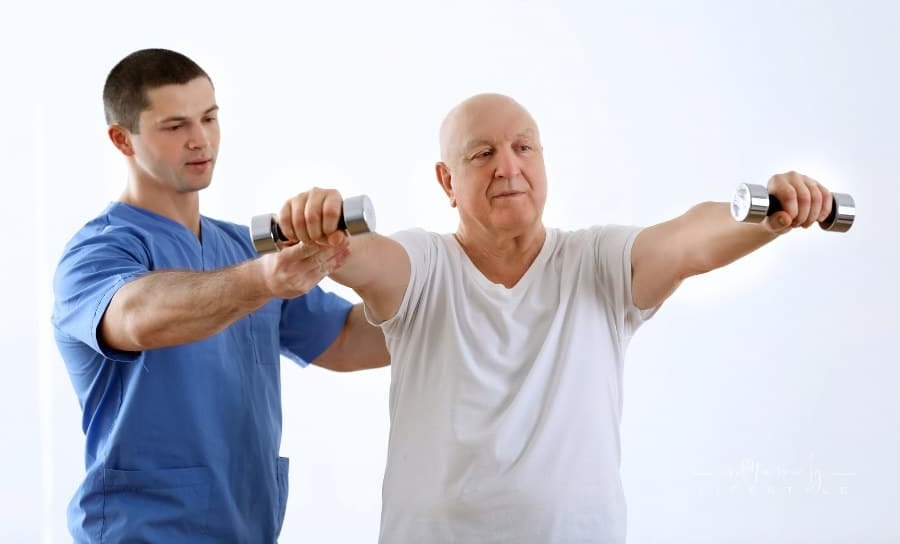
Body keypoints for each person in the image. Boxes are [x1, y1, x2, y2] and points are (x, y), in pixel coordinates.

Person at [279, 92, 842, 543]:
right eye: (482, 154)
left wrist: (765, 216)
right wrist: (326, 232)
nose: (509, 167)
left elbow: (687, 239)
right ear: (447, 182)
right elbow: (371, 258)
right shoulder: (427, 266)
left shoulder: (596, 262)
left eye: (524, 147)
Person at [51, 48, 389, 543]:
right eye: (175, 126)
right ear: (122, 139)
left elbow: (349, 340)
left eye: (210, 118)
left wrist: (369, 267)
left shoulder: (239, 247)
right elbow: (137, 317)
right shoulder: (97, 252)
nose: (201, 140)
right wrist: (265, 281)